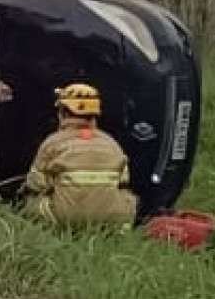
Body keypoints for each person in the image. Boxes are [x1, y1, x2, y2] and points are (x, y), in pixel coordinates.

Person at [22, 82, 139, 228]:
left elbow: (36, 184)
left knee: (32, 201)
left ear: (63, 113)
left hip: (66, 219)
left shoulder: (53, 143)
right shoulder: (111, 144)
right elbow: (124, 184)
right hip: (110, 220)